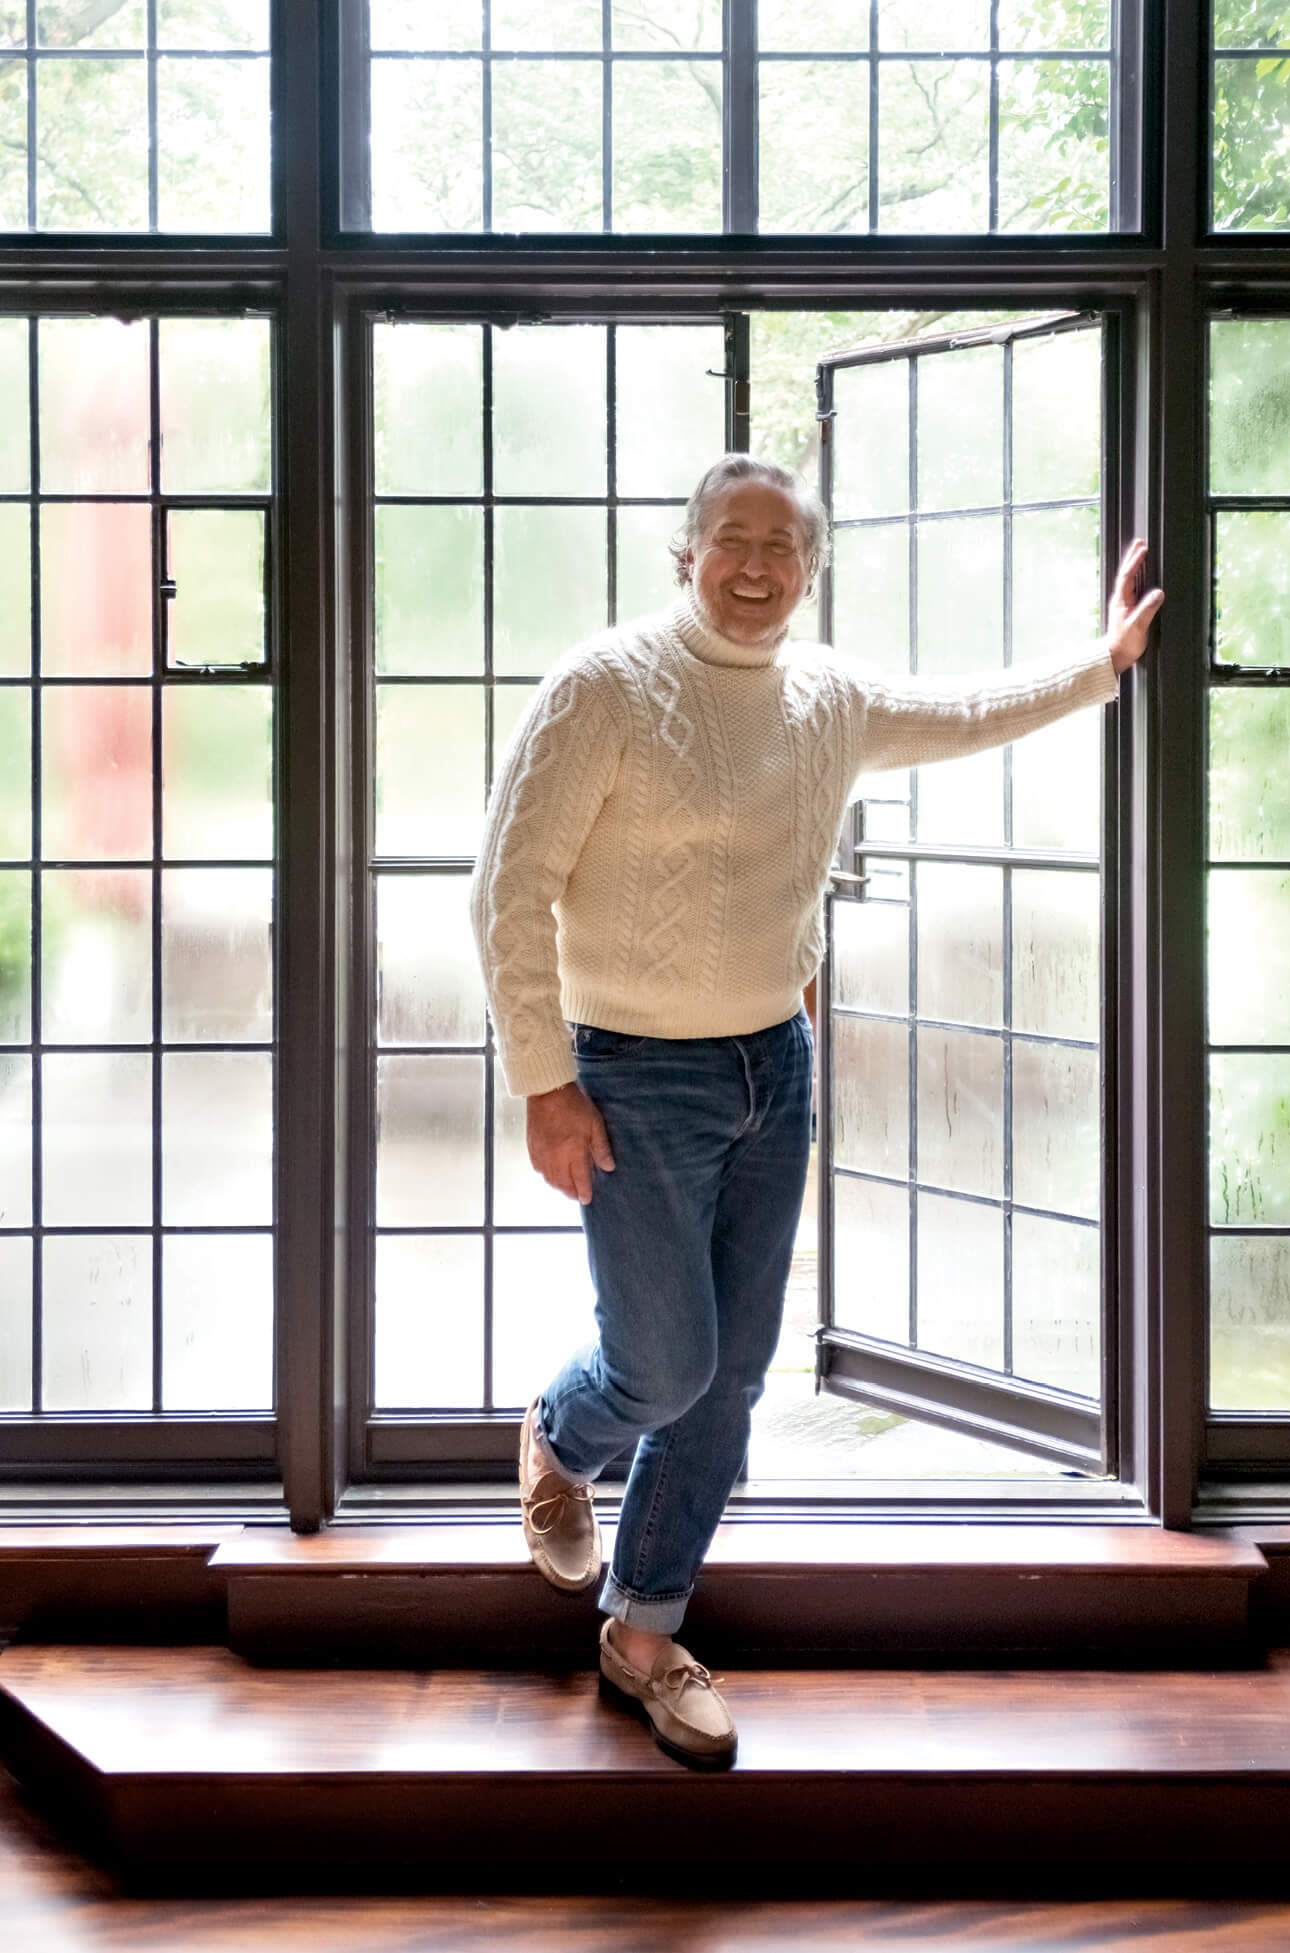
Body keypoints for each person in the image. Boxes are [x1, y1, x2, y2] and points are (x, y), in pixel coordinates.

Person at [471, 453, 1163, 1770]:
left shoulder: (828, 696)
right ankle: (560, 1435)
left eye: (781, 546)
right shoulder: (603, 686)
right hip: (631, 1073)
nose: (754, 564)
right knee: (663, 1364)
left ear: (809, 565)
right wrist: (542, 1080)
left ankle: (645, 1629)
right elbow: (506, 892)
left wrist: (1098, 665)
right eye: (730, 539)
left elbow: (963, 710)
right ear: (685, 553)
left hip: (772, 1069)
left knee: (729, 1373)